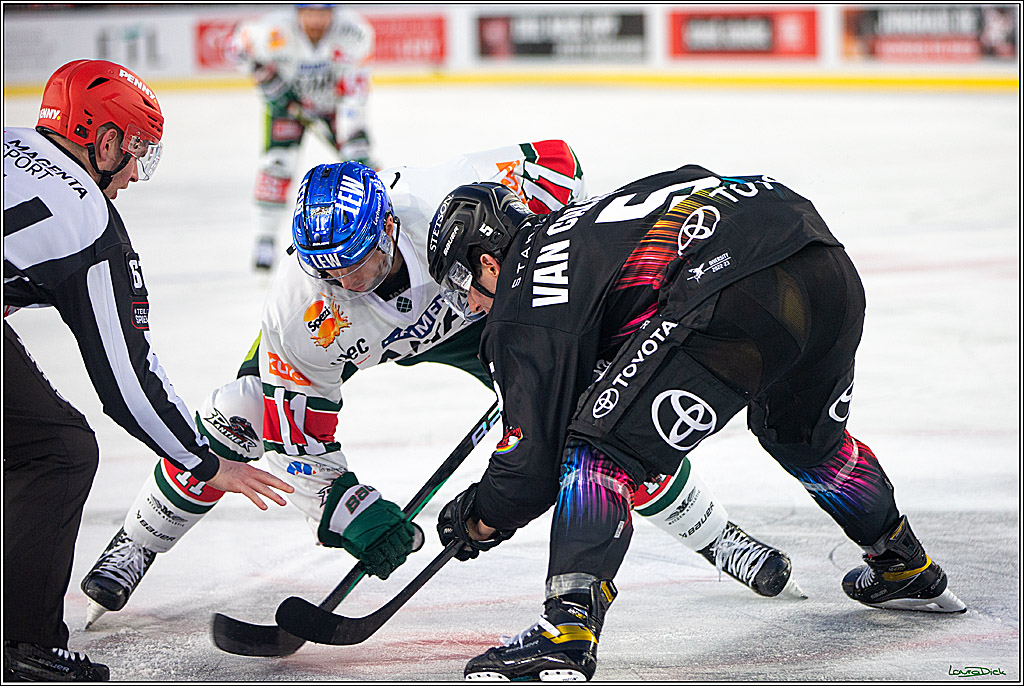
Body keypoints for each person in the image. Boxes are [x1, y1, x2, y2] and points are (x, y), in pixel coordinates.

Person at [80, 143, 795, 630]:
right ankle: (138, 542)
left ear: (389, 223)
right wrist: (344, 508)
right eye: (328, 270)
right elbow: (296, 439)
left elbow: (560, 165)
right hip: (373, 346)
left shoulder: (446, 197)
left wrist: (567, 289)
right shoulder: (304, 308)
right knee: (235, 419)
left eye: (357, 263)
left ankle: (718, 536)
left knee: (597, 415)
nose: (346, 283)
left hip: (474, 311)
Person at [427, 170, 967, 681]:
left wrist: (479, 516)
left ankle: (565, 630)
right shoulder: (590, 220)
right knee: (808, 441)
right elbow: (691, 180)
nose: (467, 305)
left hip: (733, 288)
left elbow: (529, 468)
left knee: (600, 453)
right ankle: (901, 563)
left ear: (487, 259)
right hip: (820, 259)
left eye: (459, 284)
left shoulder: (520, 300)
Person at [2, 59, 293, 682]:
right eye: (135, 152)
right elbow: (127, 383)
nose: (134, 174)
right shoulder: (86, 217)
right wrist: (207, 462)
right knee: (58, 449)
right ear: (104, 141)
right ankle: (20, 644)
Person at [228, 3, 376, 270]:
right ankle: (265, 239)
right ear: (297, 12)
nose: (316, 19)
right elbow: (236, 46)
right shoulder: (272, 30)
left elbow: (354, 89)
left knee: (361, 165)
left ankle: (374, 229)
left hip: (334, 107)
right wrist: (267, 79)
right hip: (288, 108)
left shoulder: (354, 32)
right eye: (309, 11)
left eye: (323, 12)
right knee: (276, 166)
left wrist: (352, 134)